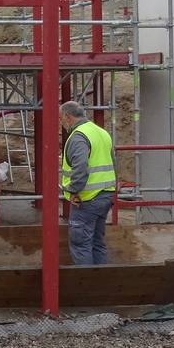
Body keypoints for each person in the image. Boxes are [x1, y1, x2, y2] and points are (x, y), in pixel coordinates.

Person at [60, 100, 117, 265]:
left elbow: (81, 166)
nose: (61, 123)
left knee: (81, 244)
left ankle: (85, 286)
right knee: (97, 242)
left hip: (86, 199)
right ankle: (100, 284)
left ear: (68, 117)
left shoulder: (78, 136)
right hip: (105, 195)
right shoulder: (101, 132)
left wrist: (73, 191)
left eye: (61, 119)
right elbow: (114, 164)